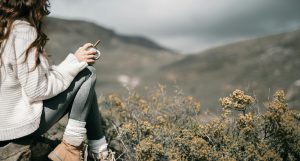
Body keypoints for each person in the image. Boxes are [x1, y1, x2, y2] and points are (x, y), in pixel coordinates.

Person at [0, 0, 111, 160]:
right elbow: (37, 89)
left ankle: (100, 152)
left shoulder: (4, 28)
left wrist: (74, 63)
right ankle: (74, 148)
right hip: (16, 129)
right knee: (87, 74)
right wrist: (75, 61)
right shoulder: (21, 30)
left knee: (84, 82)